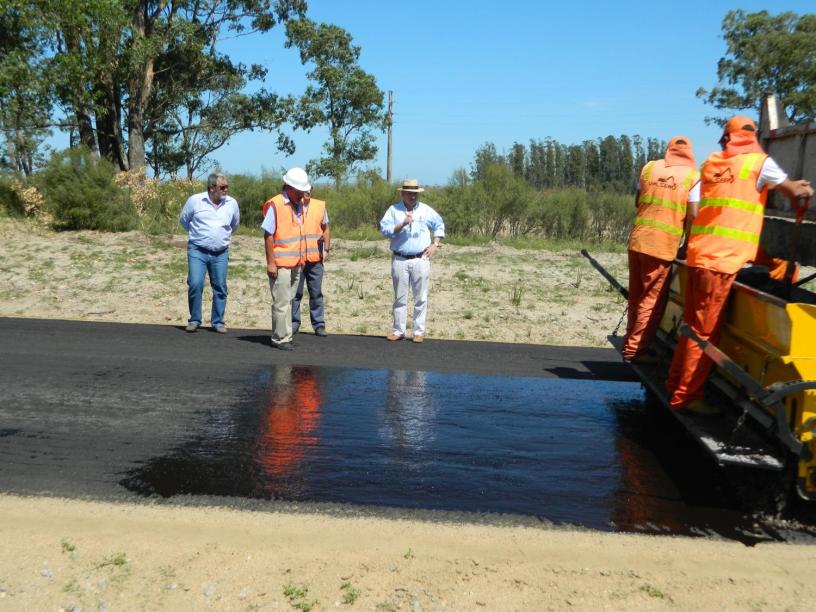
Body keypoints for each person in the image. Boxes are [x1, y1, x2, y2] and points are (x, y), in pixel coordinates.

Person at [666, 116, 814, 413]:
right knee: (704, 333)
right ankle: (687, 397)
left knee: (692, 327)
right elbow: (793, 191)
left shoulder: (712, 163)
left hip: (700, 256)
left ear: (726, 137)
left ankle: (674, 384)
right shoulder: (759, 163)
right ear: (751, 137)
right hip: (721, 262)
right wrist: (803, 188)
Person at [622, 137, 700, 362]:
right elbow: (693, 214)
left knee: (636, 296)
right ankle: (635, 350)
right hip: (661, 246)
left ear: (669, 150)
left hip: (638, 240)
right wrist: (687, 244)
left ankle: (630, 342)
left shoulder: (650, 167)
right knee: (651, 300)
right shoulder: (693, 177)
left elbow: (638, 200)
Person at [379, 179, 445, 343]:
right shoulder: (394, 210)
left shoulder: (425, 210)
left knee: (420, 297)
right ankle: (398, 331)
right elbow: (385, 230)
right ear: (402, 194)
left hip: (420, 258)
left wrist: (435, 244)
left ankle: (418, 332)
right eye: (409, 193)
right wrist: (402, 224)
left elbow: (439, 224)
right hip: (400, 258)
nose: (412, 196)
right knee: (400, 297)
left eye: (415, 194)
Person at [179, 172, 240, 333]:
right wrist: (200, 235)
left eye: (227, 187)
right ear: (212, 187)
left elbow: (234, 225)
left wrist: (220, 237)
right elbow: (184, 220)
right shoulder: (195, 201)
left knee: (220, 286)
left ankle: (218, 322)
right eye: (222, 187)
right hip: (197, 250)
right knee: (195, 283)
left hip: (220, 252)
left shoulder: (232, 203)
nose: (226, 190)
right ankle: (194, 320)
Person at [261, 167, 312, 350]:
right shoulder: (276, 205)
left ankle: (286, 335)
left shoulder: (299, 205)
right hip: (280, 264)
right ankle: (280, 338)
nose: (302, 195)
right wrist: (271, 263)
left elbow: (299, 233)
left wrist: (302, 257)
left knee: (289, 301)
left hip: (296, 263)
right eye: (299, 191)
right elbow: (268, 235)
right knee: (281, 302)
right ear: (289, 187)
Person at [291, 191, 330, 336]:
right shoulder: (292, 205)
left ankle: (319, 325)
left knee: (316, 293)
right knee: (295, 293)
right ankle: (293, 323)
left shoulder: (320, 206)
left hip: (315, 258)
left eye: (309, 189)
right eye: (304, 189)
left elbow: (325, 228)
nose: (307, 192)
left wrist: (326, 249)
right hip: (297, 258)